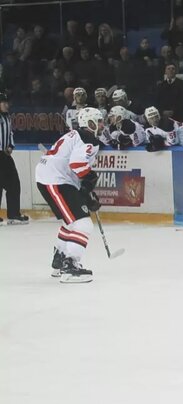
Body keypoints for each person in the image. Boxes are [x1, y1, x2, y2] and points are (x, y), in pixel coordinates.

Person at [36, 107, 105, 283]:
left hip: (54, 178)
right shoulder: (88, 138)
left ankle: (60, 257)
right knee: (83, 224)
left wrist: (86, 193)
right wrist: (91, 178)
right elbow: (77, 165)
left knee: (71, 222)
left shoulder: (76, 134)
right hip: (55, 180)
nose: (102, 124)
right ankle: (70, 265)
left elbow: (75, 167)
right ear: (89, 123)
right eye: (99, 121)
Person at [0, 93, 29, 224]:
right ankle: (13, 214)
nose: (7, 105)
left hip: (5, 156)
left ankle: (13, 214)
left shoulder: (7, 117)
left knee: (14, 185)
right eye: (3, 102)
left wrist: (11, 146)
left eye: (7, 102)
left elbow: (10, 133)